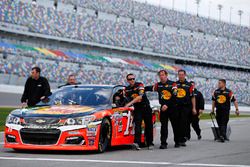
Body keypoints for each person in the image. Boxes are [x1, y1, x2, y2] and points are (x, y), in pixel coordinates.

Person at [145, 70, 178, 149]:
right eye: (160, 75)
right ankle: (163, 143)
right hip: (163, 109)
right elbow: (150, 88)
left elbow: (175, 95)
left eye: (163, 75)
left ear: (166, 75)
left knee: (175, 126)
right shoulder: (158, 85)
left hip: (172, 107)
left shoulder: (173, 84)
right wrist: (141, 88)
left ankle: (177, 141)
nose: (161, 77)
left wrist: (167, 104)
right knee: (163, 126)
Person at [124, 73, 154, 150]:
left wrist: (129, 104)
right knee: (137, 125)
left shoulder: (140, 85)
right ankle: (137, 143)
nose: (132, 80)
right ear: (127, 80)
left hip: (146, 107)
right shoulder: (126, 89)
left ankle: (150, 143)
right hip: (137, 109)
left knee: (149, 126)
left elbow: (139, 97)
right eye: (130, 79)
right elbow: (125, 99)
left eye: (133, 78)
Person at [175, 69, 196, 147]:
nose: (180, 76)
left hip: (185, 107)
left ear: (185, 75)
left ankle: (182, 139)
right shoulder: (175, 84)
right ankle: (177, 139)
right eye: (179, 74)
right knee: (177, 123)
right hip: (176, 107)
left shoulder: (189, 85)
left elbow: (193, 97)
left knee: (183, 123)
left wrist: (194, 108)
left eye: (182, 74)